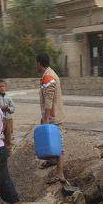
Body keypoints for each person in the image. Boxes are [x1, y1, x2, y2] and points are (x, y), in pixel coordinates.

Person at [36, 52, 66, 184]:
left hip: (53, 117)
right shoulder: (48, 74)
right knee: (53, 142)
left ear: (38, 63)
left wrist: (46, 118)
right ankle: (51, 160)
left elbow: (48, 100)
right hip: (53, 116)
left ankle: (60, 174)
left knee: (59, 145)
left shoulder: (48, 77)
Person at [0, 79, 15, 155]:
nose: (1, 88)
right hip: (0, 120)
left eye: (3, 86)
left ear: (6, 87)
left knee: (8, 136)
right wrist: (1, 109)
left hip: (8, 120)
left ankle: (8, 151)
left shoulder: (9, 98)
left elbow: (13, 108)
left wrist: (8, 108)